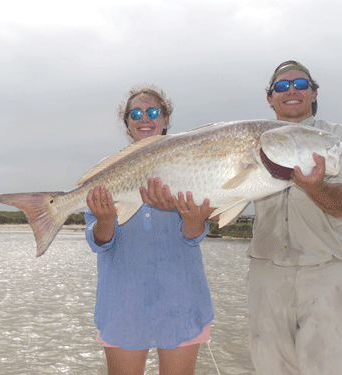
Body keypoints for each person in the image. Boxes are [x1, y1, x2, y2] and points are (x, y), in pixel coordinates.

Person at [246, 60, 342, 375]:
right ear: (269, 98)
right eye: (281, 86)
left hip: (324, 274)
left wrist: (315, 188)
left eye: (300, 85)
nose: (291, 91)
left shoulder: (339, 140)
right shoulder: (250, 140)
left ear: (313, 93)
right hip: (266, 275)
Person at [84, 85, 214, 375]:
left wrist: (191, 217)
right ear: (127, 123)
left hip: (182, 298)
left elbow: (194, 234)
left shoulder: (193, 163)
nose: (145, 118)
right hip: (122, 302)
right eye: (136, 114)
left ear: (166, 119)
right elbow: (98, 241)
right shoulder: (108, 171)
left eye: (153, 112)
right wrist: (105, 220)